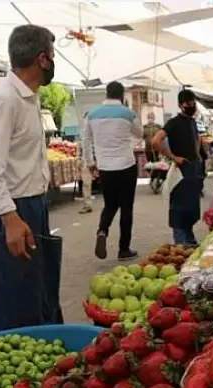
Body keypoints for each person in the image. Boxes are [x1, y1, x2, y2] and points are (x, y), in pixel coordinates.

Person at [0, 24, 63, 334]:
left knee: (38, 296)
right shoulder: (4, 100)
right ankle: (12, 378)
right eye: (52, 56)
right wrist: (10, 219)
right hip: (13, 212)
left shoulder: (28, 98)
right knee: (12, 305)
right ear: (42, 59)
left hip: (32, 208)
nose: (53, 62)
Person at [82, 81, 143, 260]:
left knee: (109, 205)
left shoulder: (92, 115)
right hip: (126, 165)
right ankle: (124, 249)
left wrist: (90, 163)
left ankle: (102, 230)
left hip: (105, 167)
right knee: (126, 208)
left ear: (106, 94)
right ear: (122, 95)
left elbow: (85, 140)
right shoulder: (127, 113)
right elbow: (139, 133)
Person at [151, 89, 205, 245]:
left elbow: (197, 140)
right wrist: (173, 157)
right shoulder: (173, 123)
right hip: (181, 171)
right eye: (189, 104)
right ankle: (180, 243)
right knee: (180, 208)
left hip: (193, 169)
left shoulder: (192, 122)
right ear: (181, 105)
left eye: (194, 103)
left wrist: (199, 157)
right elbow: (156, 141)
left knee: (191, 208)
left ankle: (189, 239)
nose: (192, 106)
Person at [78, 112, 94, 214]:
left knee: (87, 184)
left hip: (96, 159)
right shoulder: (83, 131)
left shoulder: (97, 130)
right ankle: (87, 205)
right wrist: (79, 158)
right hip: (87, 160)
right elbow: (81, 146)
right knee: (86, 184)